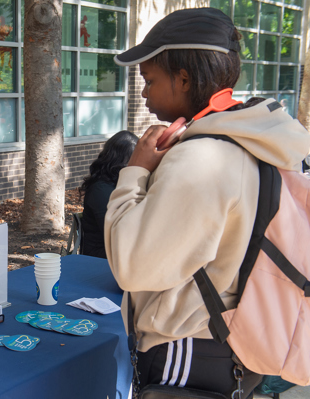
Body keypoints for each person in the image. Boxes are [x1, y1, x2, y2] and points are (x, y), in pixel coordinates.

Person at [104, 8, 310, 398]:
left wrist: (134, 172)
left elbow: (131, 266)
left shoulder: (201, 158)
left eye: (150, 80)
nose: (144, 92)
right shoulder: (256, 139)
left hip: (188, 348)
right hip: (235, 339)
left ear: (183, 79)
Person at [79, 130, 137, 258]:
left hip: (121, 249)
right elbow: (114, 232)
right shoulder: (100, 189)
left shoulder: (122, 182)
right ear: (117, 160)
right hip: (102, 255)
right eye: (131, 160)